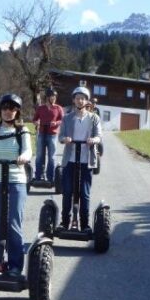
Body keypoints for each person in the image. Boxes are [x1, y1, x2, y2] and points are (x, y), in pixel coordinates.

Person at [0, 93, 32, 275]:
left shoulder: (22, 131)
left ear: (17, 112)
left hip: (16, 181)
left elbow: (27, 151)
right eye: (5, 108)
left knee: (13, 225)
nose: (8, 112)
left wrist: (24, 157)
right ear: (0, 110)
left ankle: (15, 266)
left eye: (12, 108)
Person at [58, 86, 102, 230]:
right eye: (77, 98)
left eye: (82, 98)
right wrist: (65, 139)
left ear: (86, 101)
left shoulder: (94, 118)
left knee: (84, 193)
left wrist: (94, 140)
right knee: (67, 192)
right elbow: (60, 136)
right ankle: (65, 222)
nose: (80, 100)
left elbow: (99, 136)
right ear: (74, 100)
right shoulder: (67, 118)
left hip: (86, 161)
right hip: (70, 160)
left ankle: (84, 224)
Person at [32, 87, 64, 183]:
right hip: (42, 133)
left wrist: (56, 123)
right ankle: (38, 176)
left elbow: (62, 120)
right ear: (47, 97)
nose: (53, 98)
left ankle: (51, 178)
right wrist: (36, 122)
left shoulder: (58, 108)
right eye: (52, 97)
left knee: (51, 156)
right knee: (39, 155)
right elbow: (34, 119)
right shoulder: (41, 108)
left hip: (52, 135)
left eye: (54, 97)